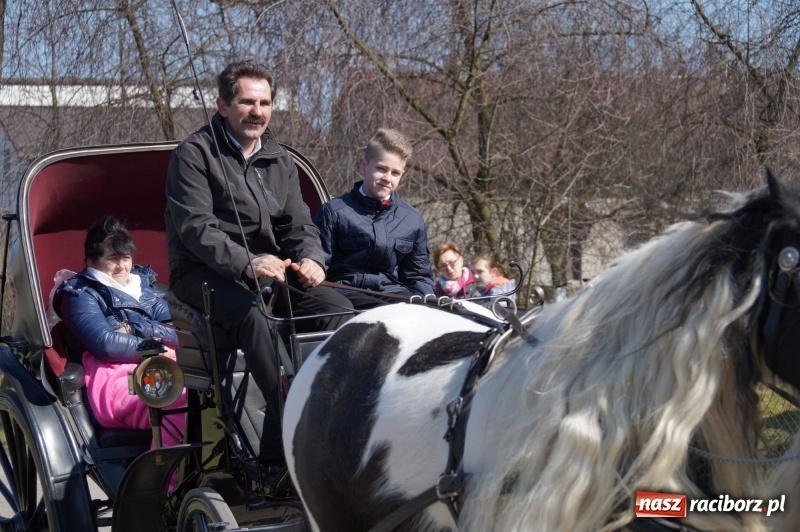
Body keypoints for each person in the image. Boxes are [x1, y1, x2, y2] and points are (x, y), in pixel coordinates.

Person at [164, 60, 352, 425]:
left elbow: (298, 223)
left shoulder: (280, 159)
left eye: (264, 103)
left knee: (337, 307)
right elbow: (196, 227)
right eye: (247, 102)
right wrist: (245, 262)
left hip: (270, 272)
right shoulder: (194, 154)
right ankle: (292, 419)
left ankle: (331, 407)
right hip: (203, 273)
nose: (257, 111)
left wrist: (311, 258)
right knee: (256, 316)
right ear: (223, 106)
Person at [53, 216, 184, 446]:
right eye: (113, 258)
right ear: (91, 261)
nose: (122, 266)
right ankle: (167, 467)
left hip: (166, 365)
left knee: (210, 389)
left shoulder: (145, 288)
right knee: (179, 398)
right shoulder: (79, 294)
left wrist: (135, 328)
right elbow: (107, 344)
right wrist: (162, 345)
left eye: (126, 258)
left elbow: (182, 331)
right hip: (114, 377)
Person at [314, 128, 435, 309]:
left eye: (395, 173)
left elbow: (419, 277)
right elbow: (318, 266)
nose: (387, 178)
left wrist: (428, 306)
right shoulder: (333, 212)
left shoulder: (412, 219)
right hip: (345, 294)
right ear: (363, 165)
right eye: (381, 169)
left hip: (394, 295)